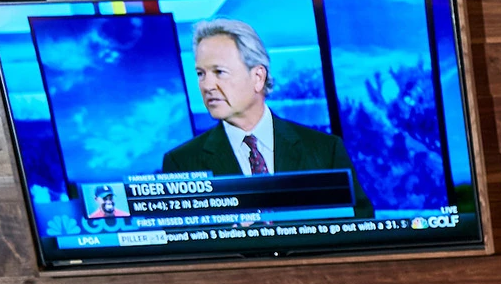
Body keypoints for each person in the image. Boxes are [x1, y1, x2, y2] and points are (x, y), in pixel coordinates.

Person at [160, 18, 374, 216]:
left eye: (219, 72)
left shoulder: (325, 150)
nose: (207, 85)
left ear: (258, 77)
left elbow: (361, 225)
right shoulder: (182, 163)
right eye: (201, 74)